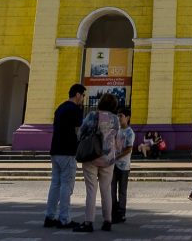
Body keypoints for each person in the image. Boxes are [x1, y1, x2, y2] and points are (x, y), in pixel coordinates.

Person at [75, 92, 120, 233]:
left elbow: (80, 133)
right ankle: (108, 221)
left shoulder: (92, 116)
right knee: (106, 190)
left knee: (91, 190)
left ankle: (89, 222)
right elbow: (118, 140)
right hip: (108, 158)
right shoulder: (116, 119)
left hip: (92, 155)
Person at [44, 83, 85, 230]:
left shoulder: (60, 108)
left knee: (55, 184)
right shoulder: (75, 110)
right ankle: (64, 219)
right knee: (67, 185)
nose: (83, 99)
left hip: (55, 149)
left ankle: (49, 217)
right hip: (68, 151)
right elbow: (78, 130)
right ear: (78, 94)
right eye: (83, 95)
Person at [111, 108, 134, 223]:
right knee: (112, 189)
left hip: (124, 166)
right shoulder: (116, 131)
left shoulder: (130, 132)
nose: (119, 118)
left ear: (127, 118)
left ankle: (121, 213)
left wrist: (116, 157)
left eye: (121, 116)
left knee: (122, 190)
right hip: (114, 165)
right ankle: (113, 212)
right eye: (118, 116)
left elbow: (128, 149)